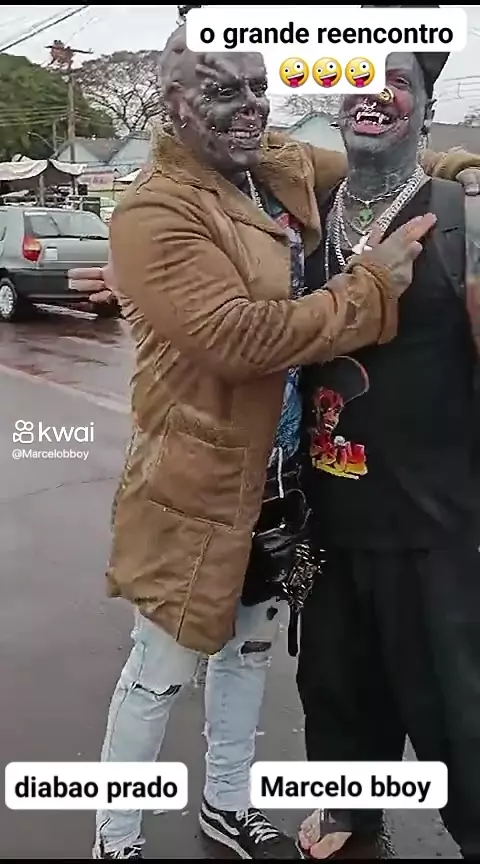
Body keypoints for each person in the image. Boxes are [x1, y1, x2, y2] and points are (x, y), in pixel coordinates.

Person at [70, 29, 480, 864]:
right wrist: (370, 285)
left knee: (253, 658)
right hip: (200, 486)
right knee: (163, 671)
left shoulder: (276, 166)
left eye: (258, 88)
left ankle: (227, 808)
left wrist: (466, 174)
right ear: (173, 104)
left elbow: (393, 162)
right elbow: (239, 335)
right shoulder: (155, 208)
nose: (250, 107)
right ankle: (116, 836)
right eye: (223, 91)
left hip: (292, 486)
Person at [297, 41, 480, 862]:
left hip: (438, 520)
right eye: (360, 83)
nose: (374, 96)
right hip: (329, 517)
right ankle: (351, 813)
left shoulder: (462, 218)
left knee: (457, 702)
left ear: (426, 114)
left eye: (397, 84)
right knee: (336, 687)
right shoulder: (310, 214)